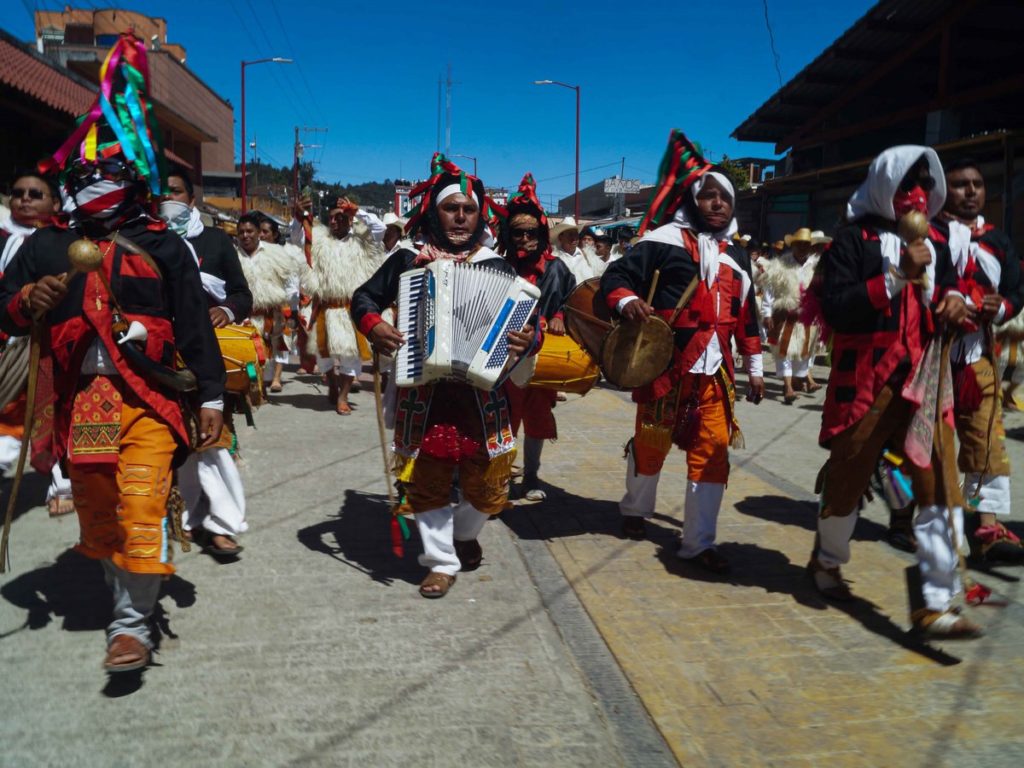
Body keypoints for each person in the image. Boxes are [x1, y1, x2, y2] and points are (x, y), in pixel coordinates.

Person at [0, 32, 226, 671]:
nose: (97, 182)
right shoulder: (45, 248)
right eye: (86, 174)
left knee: (144, 501)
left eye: (111, 173)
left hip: (148, 394)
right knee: (100, 509)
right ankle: (126, 590)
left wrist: (210, 395)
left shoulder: (162, 246)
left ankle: (131, 626)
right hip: (83, 400)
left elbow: (193, 328)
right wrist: (29, 304)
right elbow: (5, 310)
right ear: (70, 179)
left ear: (132, 177)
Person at [809, 145, 977, 638]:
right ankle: (826, 561)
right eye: (908, 185)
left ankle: (935, 601)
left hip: (925, 377)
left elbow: (950, 289)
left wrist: (952, 303)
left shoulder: (939, 243)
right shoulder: (850, 241)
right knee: (848, 477)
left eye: (925, 187)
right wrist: (896, 274)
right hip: (866, 380)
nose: (919, 196)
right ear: (885, 186)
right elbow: (837, 308)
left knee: (939, 484)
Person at [351, 155, 534, 599]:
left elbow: (530, 321)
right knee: (428, 476)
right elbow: (364, 298)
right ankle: (439, 561)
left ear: (478, 216)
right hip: (424, 388)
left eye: (468, 210)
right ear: (435, 211)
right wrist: (374, 325)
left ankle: (465, 534)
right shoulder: (408, 260)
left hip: (482, 390)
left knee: (488, 483)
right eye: (451, 208)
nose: (459, 217)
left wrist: (528, 340)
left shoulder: (497, 266)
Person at [602, 134, 764, 573]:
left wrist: (755, 366)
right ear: (692, 201)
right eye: (707, 196)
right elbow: (616, 277)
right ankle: (635, 510)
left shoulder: (739, 257)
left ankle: (698, 543)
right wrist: (626, 301)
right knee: (651, 446)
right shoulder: (663, 241)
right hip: (667, 367)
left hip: (716, 375)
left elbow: (747, 316)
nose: (716, 204)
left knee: (713, 452)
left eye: (723, 198)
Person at [931, 157, 1024, 564]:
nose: (971, 191)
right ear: (943, 191)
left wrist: (1001, 307)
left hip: (977, 355)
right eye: (960, 184)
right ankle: (914, 518)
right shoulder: (928, 235)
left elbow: (1017, 291)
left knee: (987, 437)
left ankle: (987, 526)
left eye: (978, 184)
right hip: (930, 355)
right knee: (924, 440)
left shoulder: (999, 241)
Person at [162, 166, 253, 556]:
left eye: (177, 192)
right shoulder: (142, 241)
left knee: (214, 441)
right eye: (162, 194)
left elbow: (242, 293)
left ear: (192, 199)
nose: (169, 200)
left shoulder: (215, 241)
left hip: (207, 355)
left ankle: (221, 524)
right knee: (167, 439)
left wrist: (227, 311)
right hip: (158, 354)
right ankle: (177, 516)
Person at [0, 170, 77, 517]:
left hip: (44, 343)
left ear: (55, 204)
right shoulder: (2, 237)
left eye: (35, 193)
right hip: (5, 335)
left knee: (52, 412)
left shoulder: (64, 242)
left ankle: (62, 484)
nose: (25, 199)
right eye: (18, 192)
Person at [502, 173, 576, 500]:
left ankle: (531, 477)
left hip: (543, 358)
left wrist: (559, 316)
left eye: (531, 232)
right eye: (517, 232)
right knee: (504, 418)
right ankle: (500, 476)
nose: (524, 238)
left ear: (542, 234)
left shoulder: (558, 269)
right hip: (505, 357)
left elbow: (574, 305)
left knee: (536, 417)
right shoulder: (498, 266)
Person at [292, 196, 385, 415]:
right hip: (325, 308)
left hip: (350, 310)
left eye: (340, 217)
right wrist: (298, 218)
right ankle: (332, 385)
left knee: (350, 357)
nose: (334, 222)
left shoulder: (362, 241)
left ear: (349, 219)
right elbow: (297, 239)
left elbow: (380, 228)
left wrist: (358, 210)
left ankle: (342, 397)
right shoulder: (320, 241)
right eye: (331, 218)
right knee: (323, 357)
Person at [235, 212, 301, 393]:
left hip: (271, 317)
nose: (245, 235)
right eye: (241, 232)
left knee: (269, 355)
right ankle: (253, 385)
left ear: (258, 232)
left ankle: (265, 384)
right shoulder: (232, 256)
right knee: (248, 357)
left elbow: (290, 282)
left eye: (250, 231)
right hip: (243, 318)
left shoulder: (276, 254)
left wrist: (290, 311)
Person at [759, 227, 822, 403]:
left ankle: (797, 379)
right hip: (784, 315)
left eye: (805, 245)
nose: (802, 248)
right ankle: (787, 386)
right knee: (783, 351)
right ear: (792, 245)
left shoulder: (817, 266)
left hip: (808, 318)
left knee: (804, 352)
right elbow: (769, 291)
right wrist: (767, 313)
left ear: (811, 247)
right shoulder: (780, 265)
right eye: (799, 244)